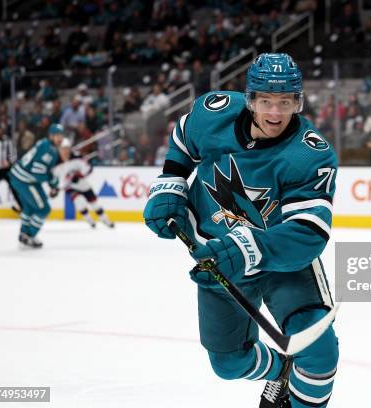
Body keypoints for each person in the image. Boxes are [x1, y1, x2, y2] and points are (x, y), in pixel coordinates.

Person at [143, 53, 338, 408]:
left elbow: (308, 232)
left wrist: (248, 248)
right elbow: (183, 139)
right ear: (250, 99)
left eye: (285, 102)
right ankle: (281, 371)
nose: (275, 113)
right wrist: (171, 180)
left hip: (280, 261)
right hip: (217, 259)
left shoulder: (311, 154)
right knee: (228, 364)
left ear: (298, 102)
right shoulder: (213, 113)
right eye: (265, 101)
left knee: (319, 353)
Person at [8, 123, 63, 248]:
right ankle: (30, 235)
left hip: (18, 177)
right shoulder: (49, 149)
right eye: (57, 135)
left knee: (29, 207)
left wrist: (53, 184)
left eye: (61, 135)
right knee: (44, 209)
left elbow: (43, 171)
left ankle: (23, 234)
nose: (60, 138)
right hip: (25, 180)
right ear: (51, 135)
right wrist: (53, 183)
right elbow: (38, 172)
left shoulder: (45, 144)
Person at [53, 139, 114, 229]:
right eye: (62, 149)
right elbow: (57, 178)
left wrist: (79, 175)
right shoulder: (56, 162)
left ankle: (105, 220)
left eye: (66, 149)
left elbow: (88, 169)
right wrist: (57, 188)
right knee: (79, 202)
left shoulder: (77, 157)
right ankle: (89, 219)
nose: (65, 151)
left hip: (83, 185)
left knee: (95, 204)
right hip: (70, 187)